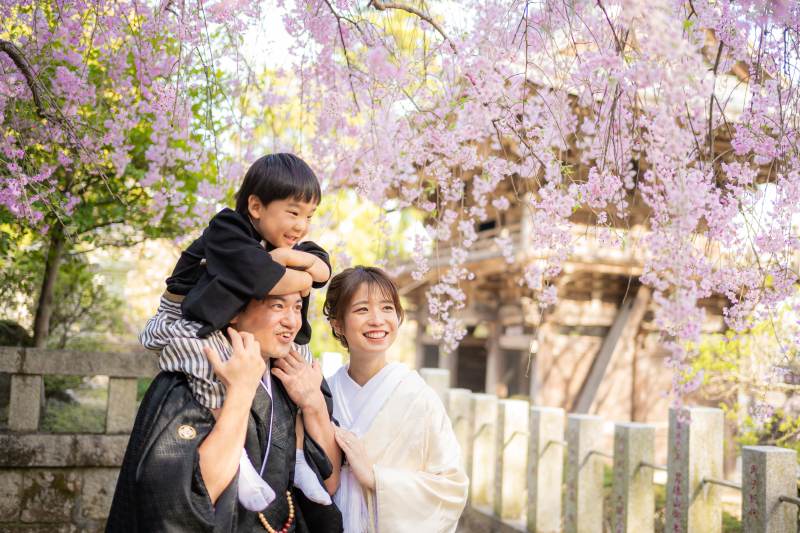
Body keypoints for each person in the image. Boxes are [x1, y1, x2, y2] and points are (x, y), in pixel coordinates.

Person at [138, 153, 333, 501]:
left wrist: (285, 258)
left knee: (299, 362)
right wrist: (293, 272)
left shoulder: (280, 243)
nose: (302, 226)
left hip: (222, 313)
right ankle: (238, 459)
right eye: (293, 213)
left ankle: (300, 459)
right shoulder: (227, 230)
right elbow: (265, 280)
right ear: (256, 206)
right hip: (188, 317)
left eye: (309, 216)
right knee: (207, 364)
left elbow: (323, 271)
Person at [106, 291, 343, 532]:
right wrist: (240, 392)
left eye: (297, 307)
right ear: (234, 310)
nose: (292, 321)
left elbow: (329, 482)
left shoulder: (295, 377)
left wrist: (314, 403)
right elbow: (185, 502)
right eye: (277, 306)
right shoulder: (192, 379)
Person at [323, 267, 468, 533]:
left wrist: (375, 477)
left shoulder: (419, 398)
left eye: (387, 308)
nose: (377, 320)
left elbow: (452, 489)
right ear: (337, 323)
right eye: (362, 309)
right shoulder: (324, 393)